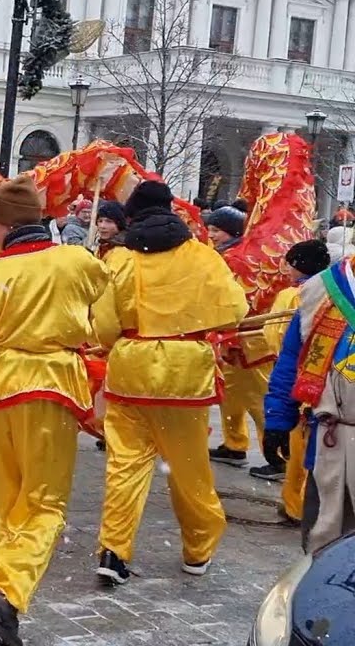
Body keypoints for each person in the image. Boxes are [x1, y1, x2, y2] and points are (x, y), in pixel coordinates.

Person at [0, 176, 108, 646]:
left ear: (4, 225)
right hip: (51, 388)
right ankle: (7, 597)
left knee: (2, 503)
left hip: (0, 391)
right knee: (43, 505)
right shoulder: (76, 261)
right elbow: (106, 306)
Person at [90, 180, 248, 588]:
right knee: (189, 465)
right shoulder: (201, 255)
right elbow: (234, 309)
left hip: (131, 368)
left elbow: (104, 325)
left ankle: (114, 549)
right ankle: (197, 548)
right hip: (185, 373)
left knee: (125, 465)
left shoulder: (120, 259)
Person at [263, 247, 355, 552]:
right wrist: (278, 418)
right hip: (332, 437)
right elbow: (292, 357)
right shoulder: (327, 288)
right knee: (323, 541)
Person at [257, 240, 329, 524]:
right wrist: (277, 418)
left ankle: (297, 506)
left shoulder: (299, 294)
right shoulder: (323, 297)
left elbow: (274, 339)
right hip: (319, 408)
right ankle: (298, 507)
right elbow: (291, 357)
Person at [205, 201, 271, 467]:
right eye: (209, 228)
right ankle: (234, 443)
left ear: (232, 232)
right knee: (229, 394)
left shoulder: (240, 259)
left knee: (258, 398)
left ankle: (277, 456)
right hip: (228, 338)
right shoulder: (221, 256)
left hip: (249, 339)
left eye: (216, 230)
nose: (211, 234)